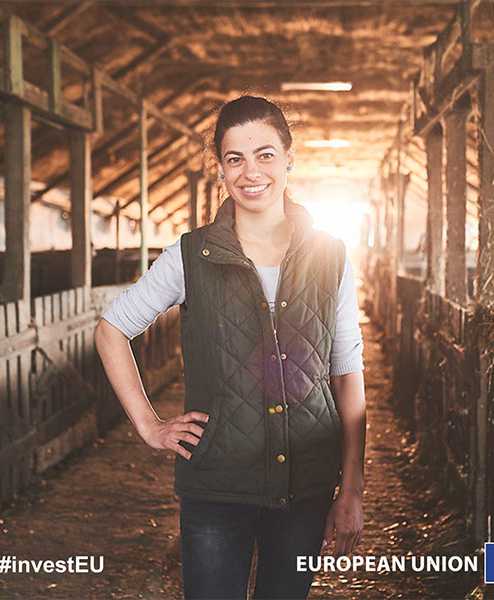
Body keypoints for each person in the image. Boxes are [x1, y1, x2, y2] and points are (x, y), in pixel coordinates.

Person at [95, 95, 367, 600]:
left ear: (289, 158)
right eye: (234, 159)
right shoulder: (191, 255)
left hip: (305, 485)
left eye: (265, 154)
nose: (250, 172)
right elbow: (111, 329)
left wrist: (351, 488)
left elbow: (346, 364)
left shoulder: (331, 254)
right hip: (216, 486)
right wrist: (149, 426)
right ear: (220, 167)